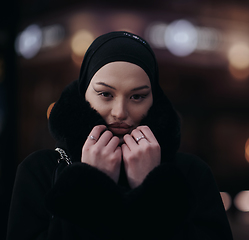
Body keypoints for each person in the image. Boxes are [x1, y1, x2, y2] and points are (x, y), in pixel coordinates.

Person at [7, 31, 233, 240]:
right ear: (84, 93)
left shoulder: (191, 172)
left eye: (137, 97)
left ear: (154, 99)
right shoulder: (41, 170)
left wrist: (154, 189)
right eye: (105, 94)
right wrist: (90, 186)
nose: (120, 112)